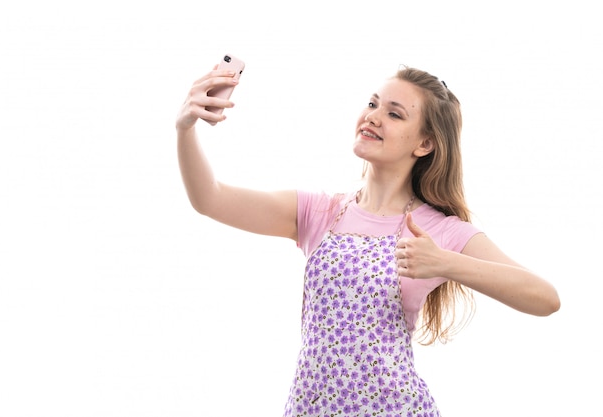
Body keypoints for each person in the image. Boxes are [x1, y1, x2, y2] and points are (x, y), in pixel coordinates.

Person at [175, 62, 561, 416]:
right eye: (373, 103)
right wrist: (185, 128)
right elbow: (210, 198)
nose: (373, 117)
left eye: (394, 114)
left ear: (424, 144)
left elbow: (545, 298)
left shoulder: (439, 230)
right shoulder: (319, 212)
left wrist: (446, 263)